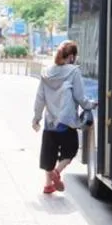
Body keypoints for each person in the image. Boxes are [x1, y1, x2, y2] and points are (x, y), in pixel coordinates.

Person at [32, 41, 97, 194]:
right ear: (72, 57)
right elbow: (80, 96)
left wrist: (36, 118)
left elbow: (40, 97)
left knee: (50, 152)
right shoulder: (73, 72)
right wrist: (90, 105)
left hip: (50, 122)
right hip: (66, 121)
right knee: (71, 149)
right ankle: (57, 171)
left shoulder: (46, 72)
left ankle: (48, 185)